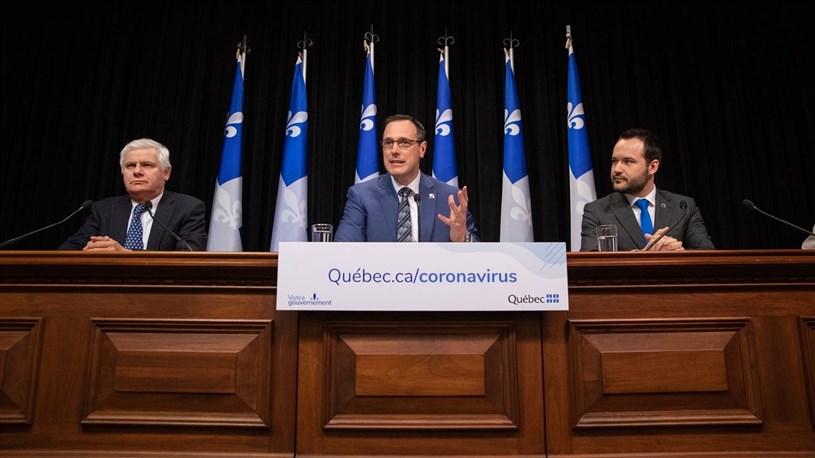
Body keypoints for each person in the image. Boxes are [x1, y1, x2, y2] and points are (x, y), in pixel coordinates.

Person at [334, 114, 479, 242]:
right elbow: (343, 250)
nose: (394, 150)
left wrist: (462, 238)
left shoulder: (449, 198)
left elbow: (476, 254)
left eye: (404, 143)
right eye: (388, 143)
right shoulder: (362, 196)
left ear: (422, 149)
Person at [59, 138, 208, 251]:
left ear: (166, 173)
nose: (137, 171)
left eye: (147, 165)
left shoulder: (187, 208)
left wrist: (125, 255)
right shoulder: (104, 209)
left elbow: (189, 256)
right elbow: (68, 251)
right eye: (130, 165)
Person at [580, 128, 714, 251]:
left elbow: (707, 256)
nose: (617, 169)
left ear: (652, 167)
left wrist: (678, 253)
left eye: (628, 161)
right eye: (615, 161)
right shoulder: (596, 211)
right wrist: (646, 254)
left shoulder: (683, 208)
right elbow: (589, 262)